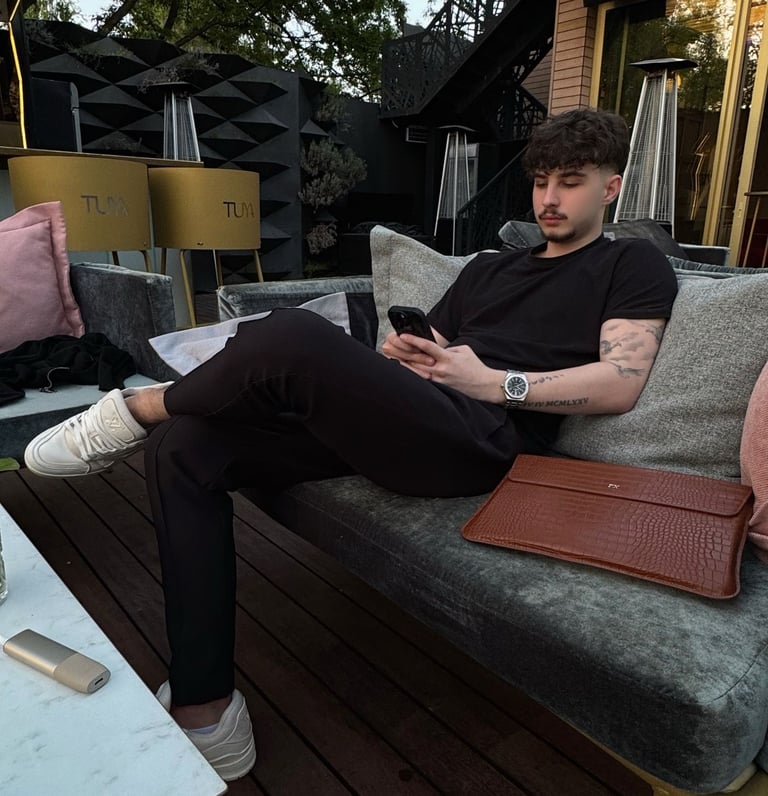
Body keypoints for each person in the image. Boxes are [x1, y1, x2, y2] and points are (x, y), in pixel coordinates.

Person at [23, 108, 678, 781]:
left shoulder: (630, 263)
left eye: (570, 181)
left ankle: (136, 408)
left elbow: (620, 382)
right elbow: (433, 345)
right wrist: (406, 354)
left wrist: (494, 383)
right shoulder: (490, 268)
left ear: (610, 187)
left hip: (481, 440)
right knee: (187, 447)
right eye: (541, 182)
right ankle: (204, 702)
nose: (549, 198)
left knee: (290, 335)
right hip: (411, 415)